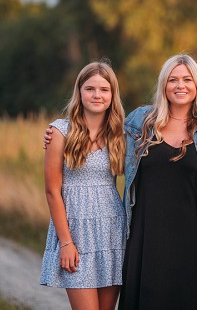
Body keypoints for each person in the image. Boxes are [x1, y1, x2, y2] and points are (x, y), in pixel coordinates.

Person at [43, 54, 197, 309]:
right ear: (164, 85)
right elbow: (100, 128)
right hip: (145, 235)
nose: (180, 85)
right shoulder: (140, 122)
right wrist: (60, 131)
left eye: (187, 79)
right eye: (173, 79)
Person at [39, 60, 127, 310]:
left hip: (112, 231)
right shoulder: (60, 132)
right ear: (79, 92)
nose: (97, 95)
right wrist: (66, 242)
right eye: (90, 89)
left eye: (104, 89)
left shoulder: (120, 134)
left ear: (112, 95)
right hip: (76, 233)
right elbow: (52, 191)